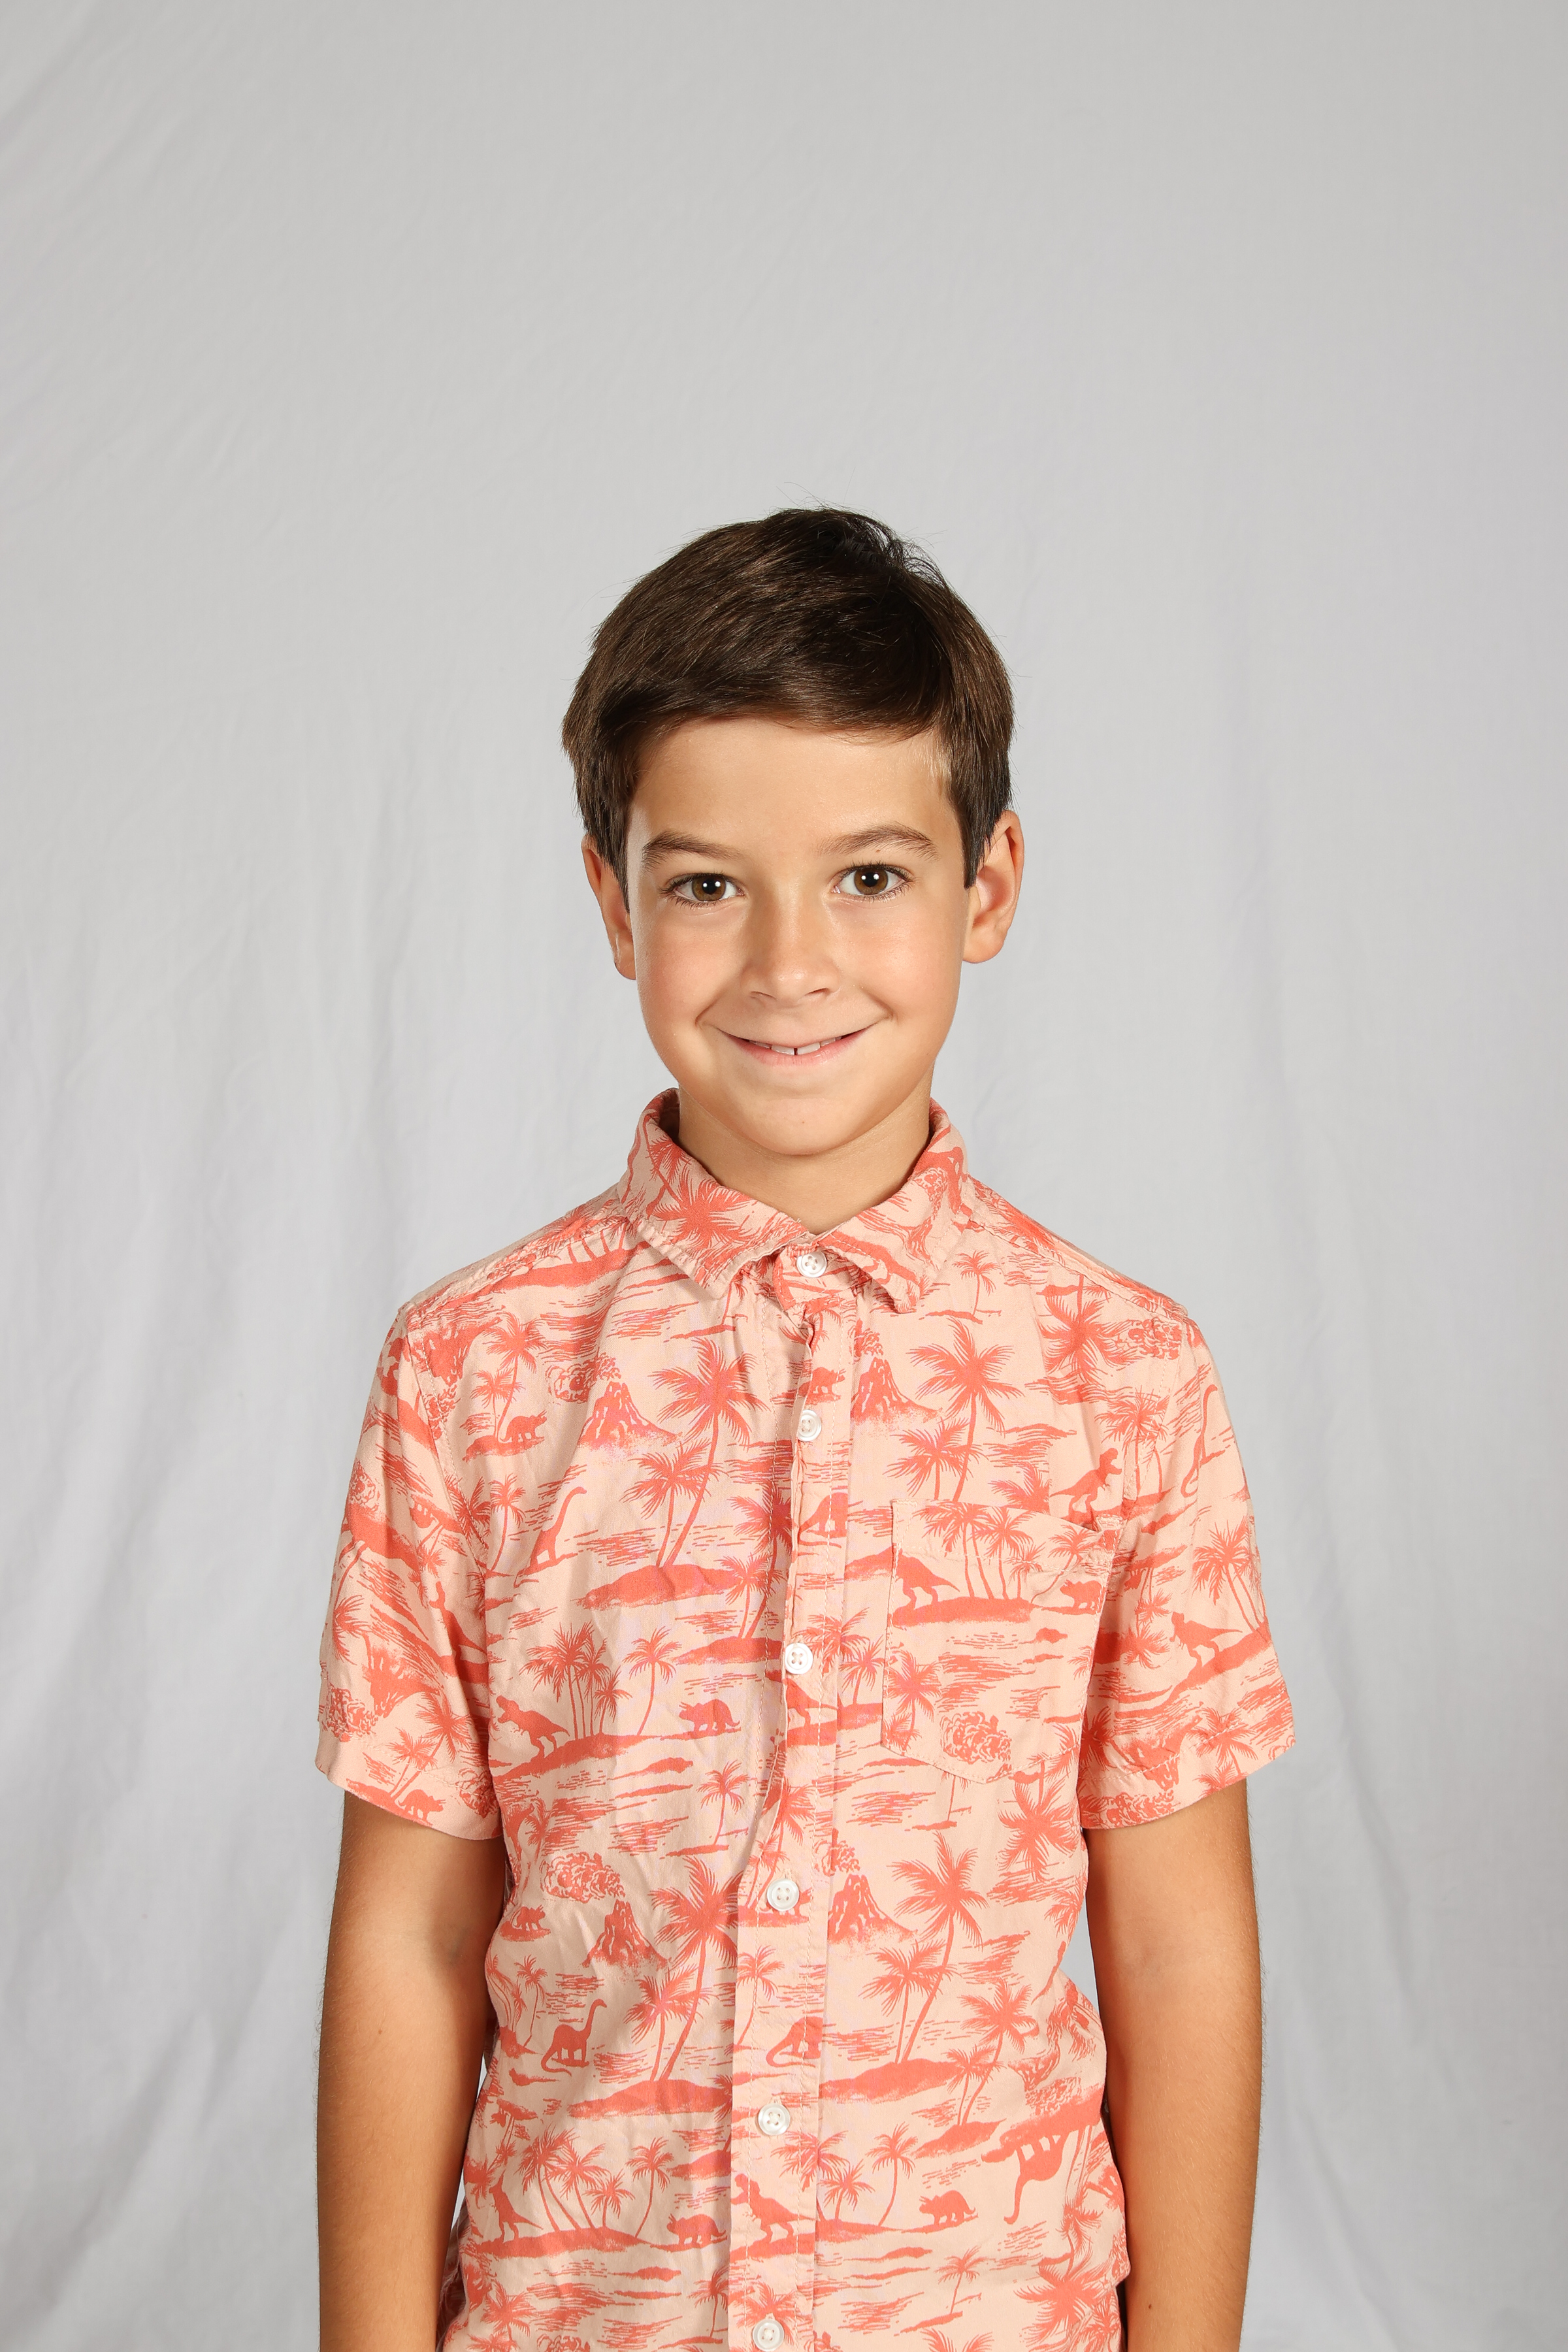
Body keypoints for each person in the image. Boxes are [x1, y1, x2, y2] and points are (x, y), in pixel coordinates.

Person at [314, 509, 1294, 2352]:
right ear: (614, 903)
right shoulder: (472, 1374)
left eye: (867, 876)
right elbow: (413, 1936)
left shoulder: (1125, 1378)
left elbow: (1179, 1949)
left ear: (987, 888)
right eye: (706, 885)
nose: (788, 961)